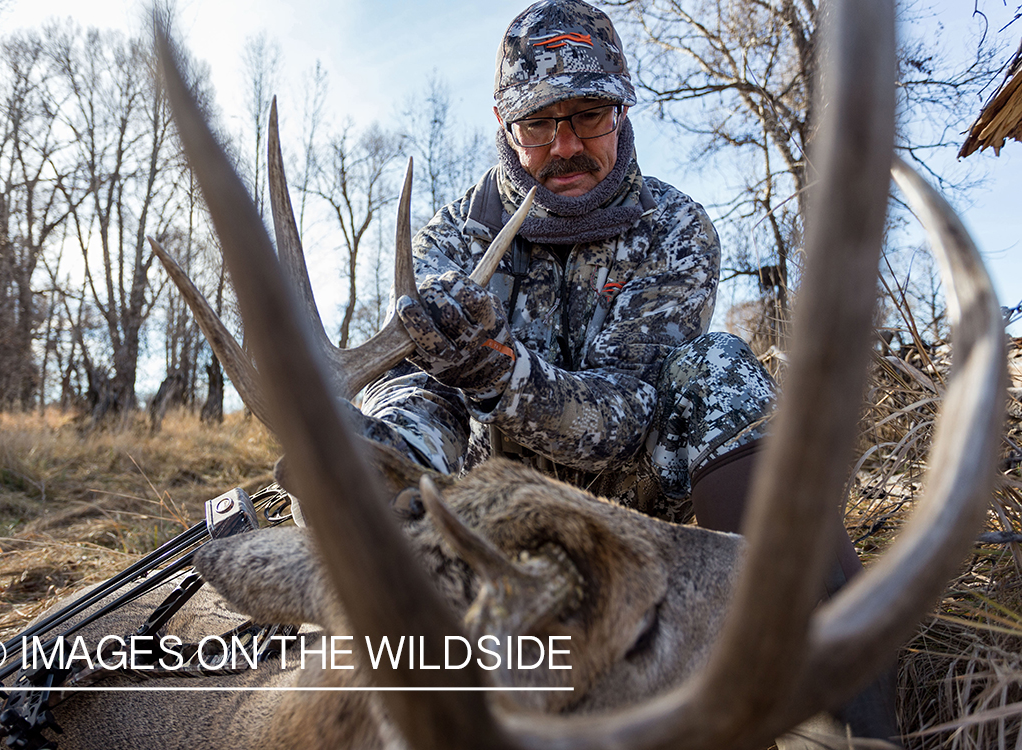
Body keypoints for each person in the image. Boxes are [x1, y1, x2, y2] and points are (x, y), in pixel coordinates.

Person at [348, 0, 900, 743]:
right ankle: (366, 567)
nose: (566, 144)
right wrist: (382, 426)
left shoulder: (674, 229)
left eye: (590, 114)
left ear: (623, 109)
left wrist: (502, 376)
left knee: (718, 368)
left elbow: (631, 413)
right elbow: (417, 381)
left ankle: (840, 693)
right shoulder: (453, 234)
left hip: (643, 514)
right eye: (539, 122)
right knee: (411, 387)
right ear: (503, 122)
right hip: (483, 510)